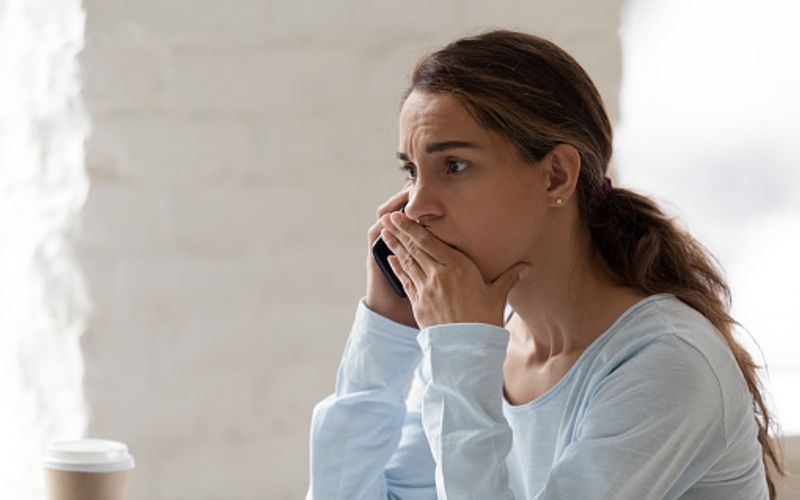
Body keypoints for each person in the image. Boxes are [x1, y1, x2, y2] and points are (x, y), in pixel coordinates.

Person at [305, 30, 783, 499]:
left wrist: (462, 350)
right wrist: (387, 328)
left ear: (557, 175)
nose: (414, 209)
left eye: (453, 166)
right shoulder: (475, 343)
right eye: (412, 171)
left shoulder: (668, 363)